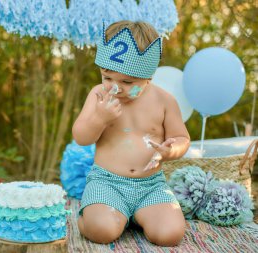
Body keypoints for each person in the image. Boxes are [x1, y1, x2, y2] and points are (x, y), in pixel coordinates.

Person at [72, 20, 190, 246]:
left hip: (151, 186)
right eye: (107, 78)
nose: (115, 87)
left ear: (149, 76)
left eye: (127, 81)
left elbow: (182, 138)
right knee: (102, 231)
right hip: (107, 183)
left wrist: (171, 149)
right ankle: (92, 218)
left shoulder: (164, 101)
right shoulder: (99, 96)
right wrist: (99, 118)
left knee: (170, 234)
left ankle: (137, 215)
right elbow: (81, 137)